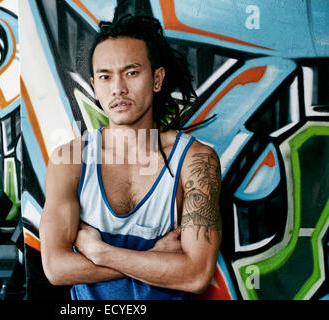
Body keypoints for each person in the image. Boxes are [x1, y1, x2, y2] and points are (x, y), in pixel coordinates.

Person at [39, 14, 222, 300]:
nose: (118, 88)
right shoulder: (70, 160)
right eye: (105, 76)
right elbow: (56, 268)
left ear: (157, 79)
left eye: (132, 72)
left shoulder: (195, 161)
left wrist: (102, 252)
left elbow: (196, 274)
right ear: (95, 86)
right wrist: (153, 257)